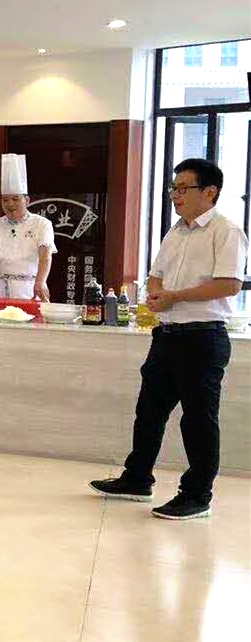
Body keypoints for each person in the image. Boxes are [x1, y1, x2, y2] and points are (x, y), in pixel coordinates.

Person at [92, 158, 249, 520]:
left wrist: (174, 297)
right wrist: (158, 293)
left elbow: (229, 284)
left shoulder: (226, 231)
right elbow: (155, 275)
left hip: (203, 338)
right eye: (173, 188)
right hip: (167, 335)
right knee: (149, 411)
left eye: (183, 188)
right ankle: (137, 479)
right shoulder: (175, 232)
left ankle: (197, 495)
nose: (175, 195)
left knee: (197, 420)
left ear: (209, 192)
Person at [0, 153, 56, 301]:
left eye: (15, 199)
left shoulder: (42, 224)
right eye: (5, 200)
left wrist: (41, 282)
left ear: (27, 200)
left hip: (31, 290)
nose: (10, 204)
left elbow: (45, 255)